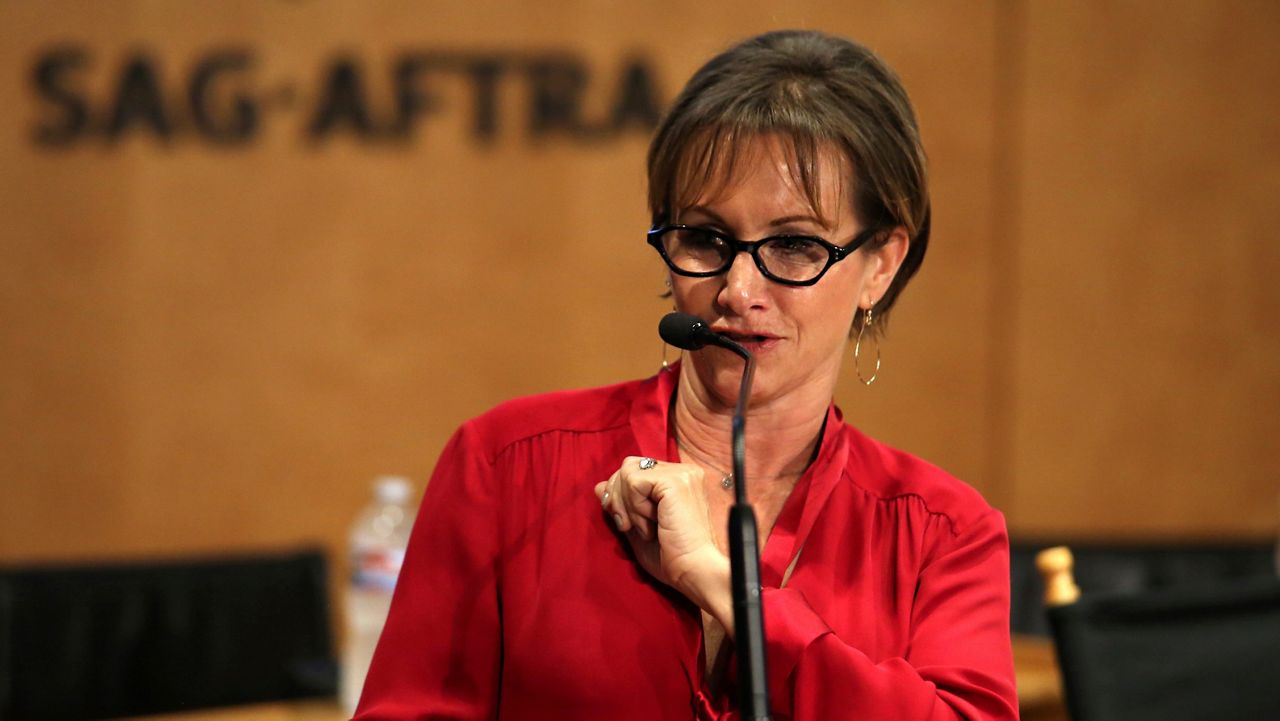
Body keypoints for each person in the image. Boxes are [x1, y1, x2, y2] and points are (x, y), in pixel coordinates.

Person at [354, 29, 1018, 721]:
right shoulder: (507, 464)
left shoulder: (944, 533)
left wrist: (727, 589)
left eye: (793, 244)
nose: (737, 288)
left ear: (880, 264)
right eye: (705, 238)